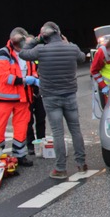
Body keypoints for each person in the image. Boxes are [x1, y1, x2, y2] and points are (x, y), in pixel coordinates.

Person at [19, 21, 87, 179]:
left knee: (58, 133)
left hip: (51, 97)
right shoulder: (72, 48)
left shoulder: (40, 50)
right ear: (59, 33)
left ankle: (60, 168)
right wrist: (67, 42)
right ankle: (81, 163)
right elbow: (82, 58)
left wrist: (36, 39)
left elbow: (23, 53)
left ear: (44, 36)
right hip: (70, 95)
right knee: (75, 130)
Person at [0, 27, 37, 167]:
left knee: (21, 127)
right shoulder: (2, 54)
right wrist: (23, 80)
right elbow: (3, 76)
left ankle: (20, 156)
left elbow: (32, 70)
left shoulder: (25, 54)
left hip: (22, 99)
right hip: (4, 100)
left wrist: (34, 78)